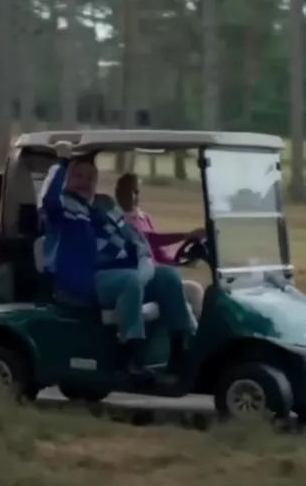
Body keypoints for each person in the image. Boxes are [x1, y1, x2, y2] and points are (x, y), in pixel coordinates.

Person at [38, 148, 194, 378]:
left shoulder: (105, 205)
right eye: (77, 176)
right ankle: (130, 356)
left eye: (90, 178)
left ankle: (180, 351)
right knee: (130, 281)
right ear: (67, 179)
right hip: (81, 281)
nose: (84, 182)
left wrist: (144, 263)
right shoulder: (61, 208)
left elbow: (135, 239)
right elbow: (49, 197)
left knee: (168, 277)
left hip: (120, 275)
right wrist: (62, 163)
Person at [114, 173, 206, 319]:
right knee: (182, 305)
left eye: (136, 192)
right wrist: (186, 235)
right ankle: (185, 330)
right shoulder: (116, 220)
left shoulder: (143, 218)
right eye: (128, 191)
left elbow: (157, 253)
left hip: (158, 277)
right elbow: (150, 239)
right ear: (118, 193)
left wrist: (180, 260)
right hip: (140, 281)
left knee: (195, 290)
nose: (133, 197)